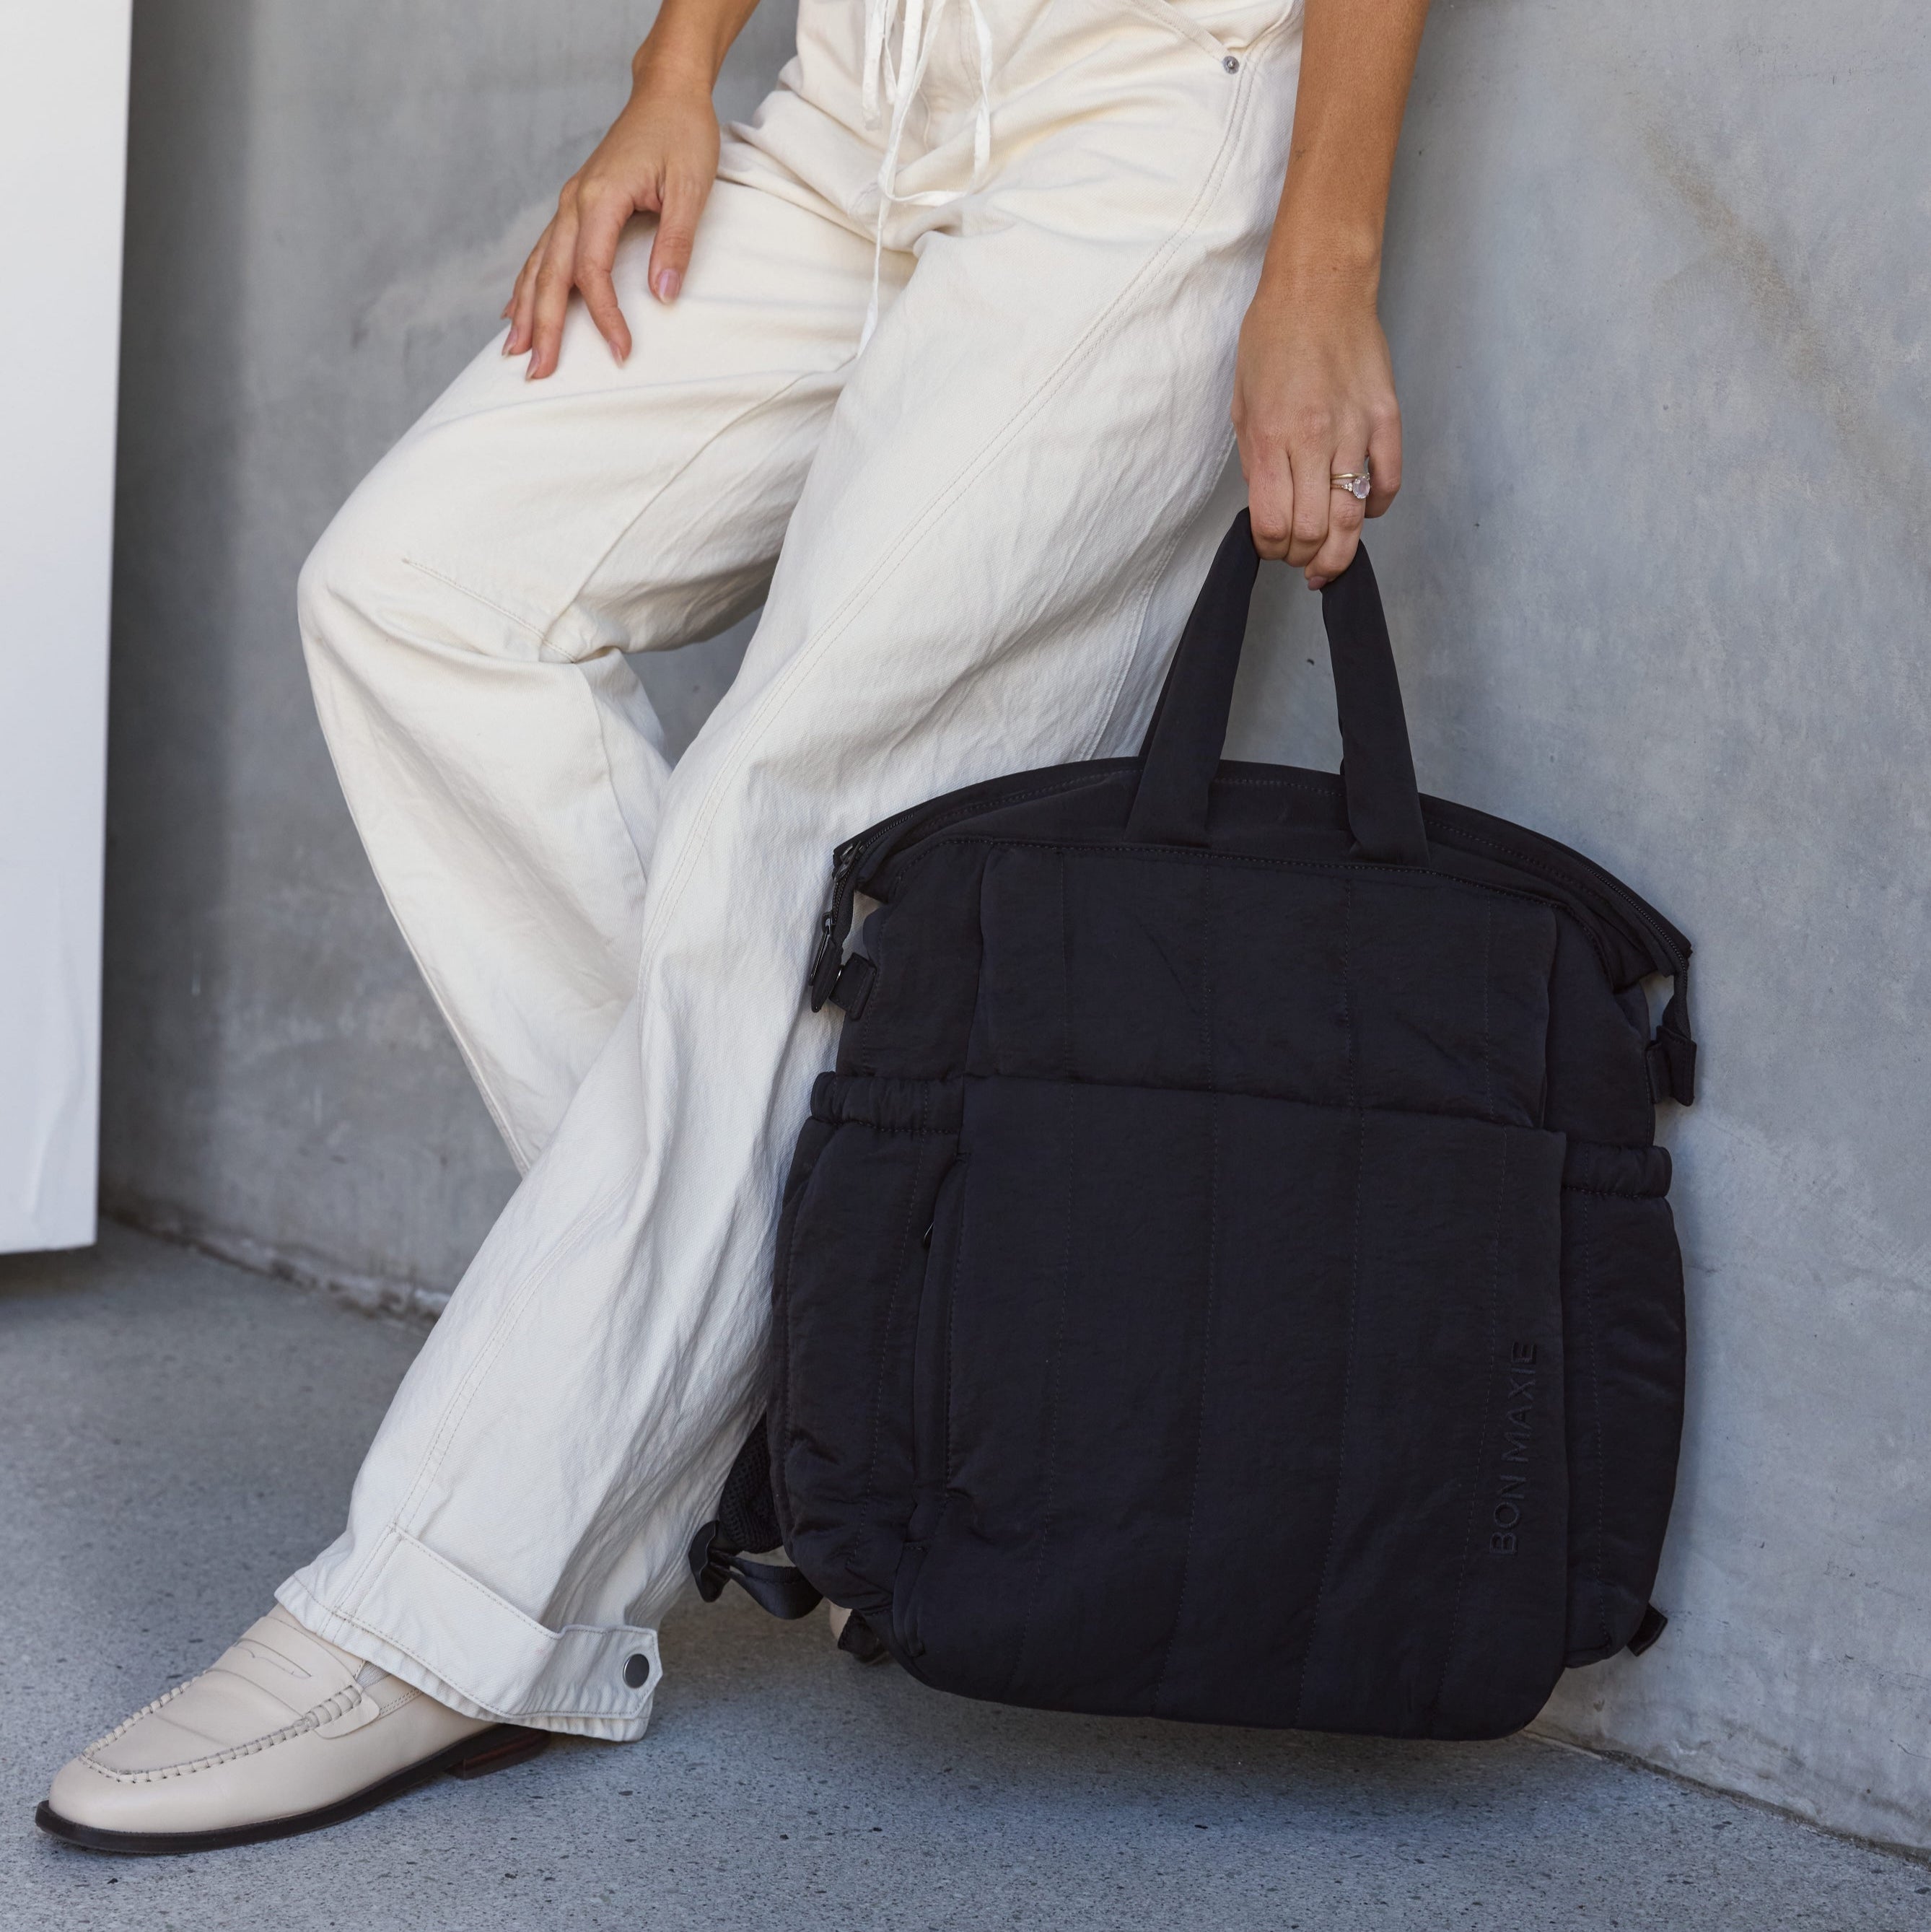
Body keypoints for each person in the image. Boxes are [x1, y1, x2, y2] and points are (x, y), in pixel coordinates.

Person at [40, 0, 1430, 1853]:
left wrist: (1323, 261)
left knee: (778, 832)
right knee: (417, 591)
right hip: (855, 91)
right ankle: (826, 1380)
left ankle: (463, 1598)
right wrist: (677, 65)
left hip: (1143, 117)